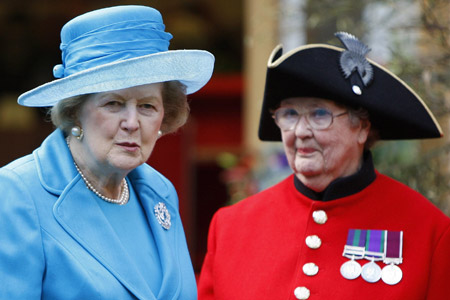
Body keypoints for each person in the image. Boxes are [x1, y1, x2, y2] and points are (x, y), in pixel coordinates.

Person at [197, 32, 450, 299]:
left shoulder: (429, 231)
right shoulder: (230, 227)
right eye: (289, 114)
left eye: (319, 114)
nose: (300, 131)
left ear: (362, 127)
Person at [0, 5, 214, 299]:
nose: (131, 123)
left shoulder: (160, 191)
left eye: (147, 106)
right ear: (76, 112)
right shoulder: (16, 193)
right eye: (113, 103)